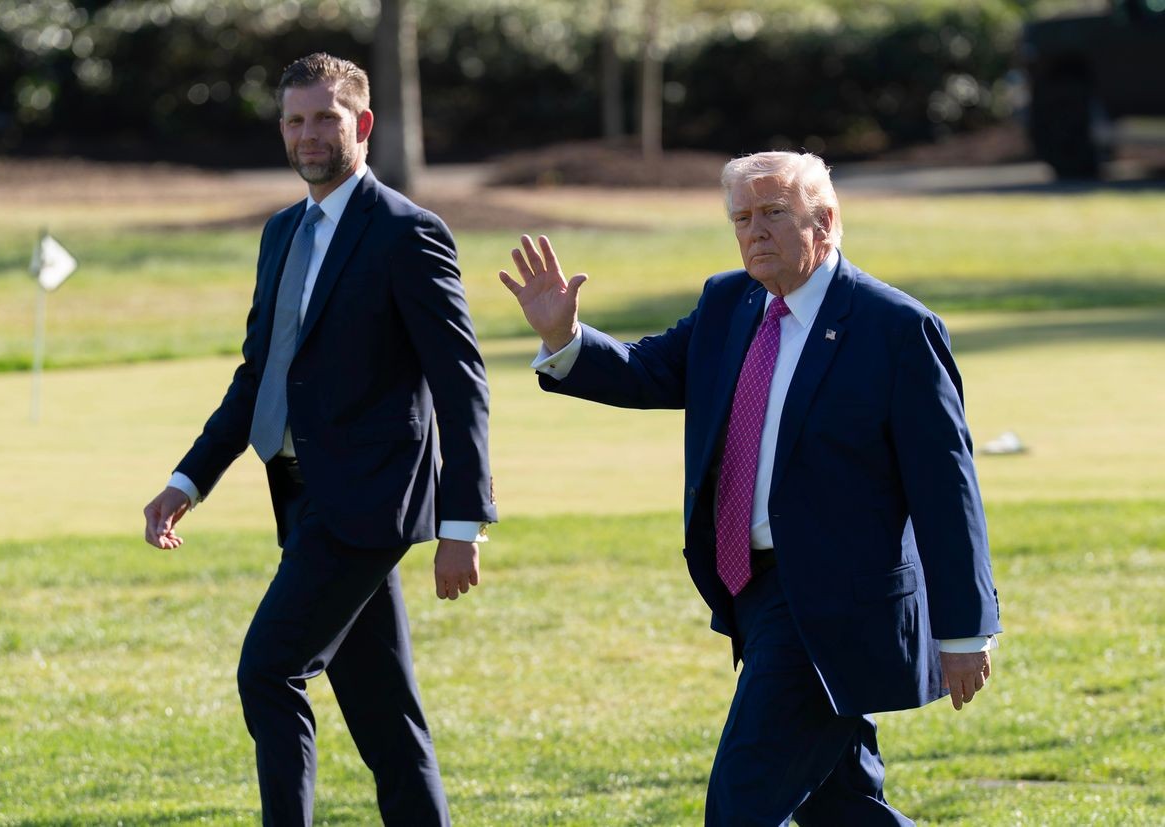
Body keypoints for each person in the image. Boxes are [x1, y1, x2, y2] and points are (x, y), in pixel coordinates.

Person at [498, 151, 1000, 826]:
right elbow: (647, 373)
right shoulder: (727, 302)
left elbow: (947, 489)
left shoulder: (896, 330)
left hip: (839, 603)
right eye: (741, 217)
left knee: (741, 804)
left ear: (825, 222)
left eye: (773, 214)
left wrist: (966, 627)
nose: (754, 232)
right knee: (843, 810)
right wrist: (564, 336)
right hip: (756, 592)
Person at [141, 53, 496, 826]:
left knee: (269, 671)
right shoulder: (280, 233)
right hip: (301, 498)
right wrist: (188, 478)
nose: (309, 134)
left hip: (366, 506)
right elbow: (260, 375)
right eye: (295, 119)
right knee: (386, 719)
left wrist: (462, 523)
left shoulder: (409, 233)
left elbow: (462, 381)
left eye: (325, 118)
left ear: (362, 125)